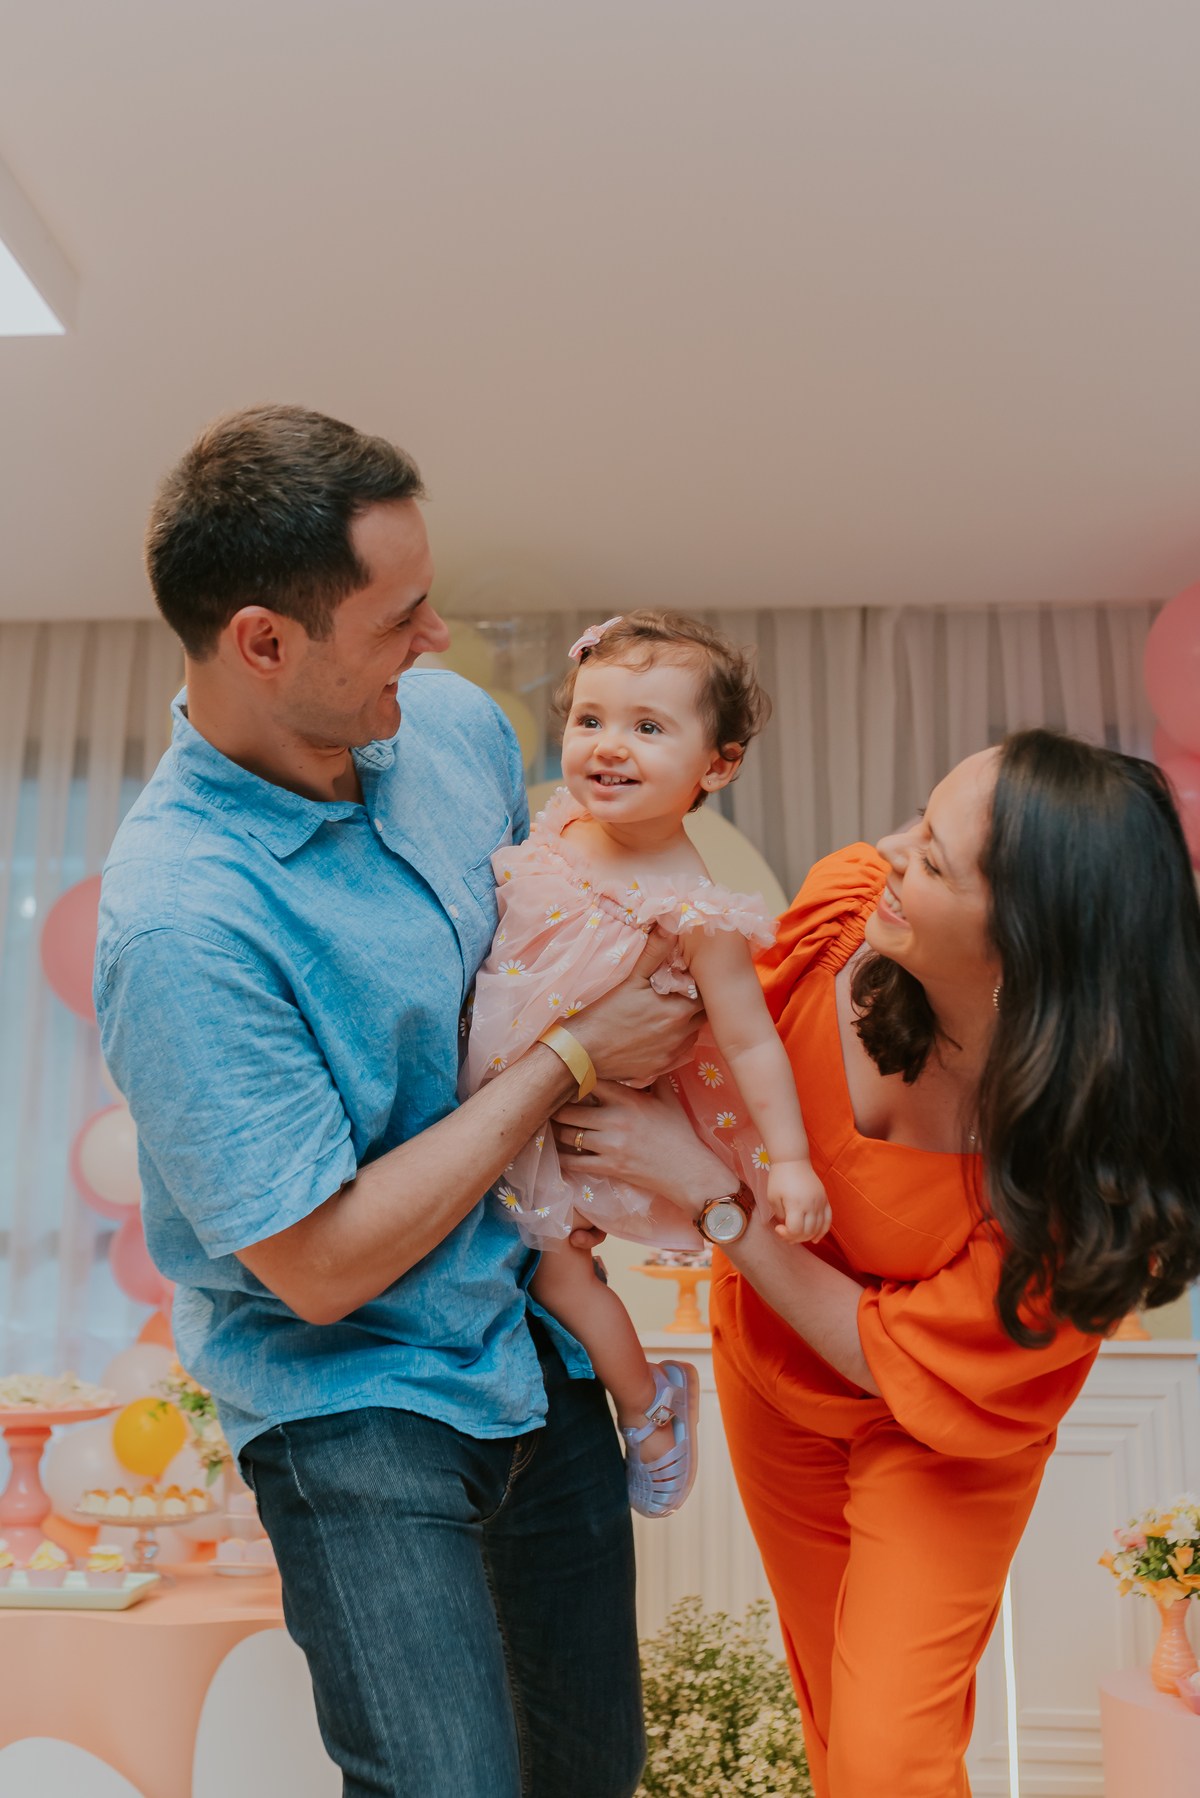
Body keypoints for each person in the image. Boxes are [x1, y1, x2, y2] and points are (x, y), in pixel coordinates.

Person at [95, 405, 707, 1798]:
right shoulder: (182, 920)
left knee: (586, 1779)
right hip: (356, 1400)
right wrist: (571, 1060)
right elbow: (316, 1264)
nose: (439, 640)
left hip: (530, 1347)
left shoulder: (452, 732)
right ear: (264, 641)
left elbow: (547, 939)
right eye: (399, 616)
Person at [545, 729, 1200, 1798]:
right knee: (839, 1731)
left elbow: (880, 1348)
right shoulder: (845, 916)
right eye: (920, 821)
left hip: (950, 1428)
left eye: (936, 861)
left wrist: (715, 1197)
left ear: (1031, 945)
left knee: (894, 1756)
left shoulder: (1091, 1171)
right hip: (777, 1374)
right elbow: (688, 1030)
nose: (889, 851)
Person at [467, 610, 830, 1518]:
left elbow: (750, 1040)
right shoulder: (553, 826)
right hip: (486, 1093)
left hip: (562, 1116)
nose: (607, 747)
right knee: (508, 1273)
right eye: (590, 720)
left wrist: (788, 1160)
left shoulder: (697, 911)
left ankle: (650, 1405)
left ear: (719, 765)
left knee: (559, 1274)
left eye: (648, 728)